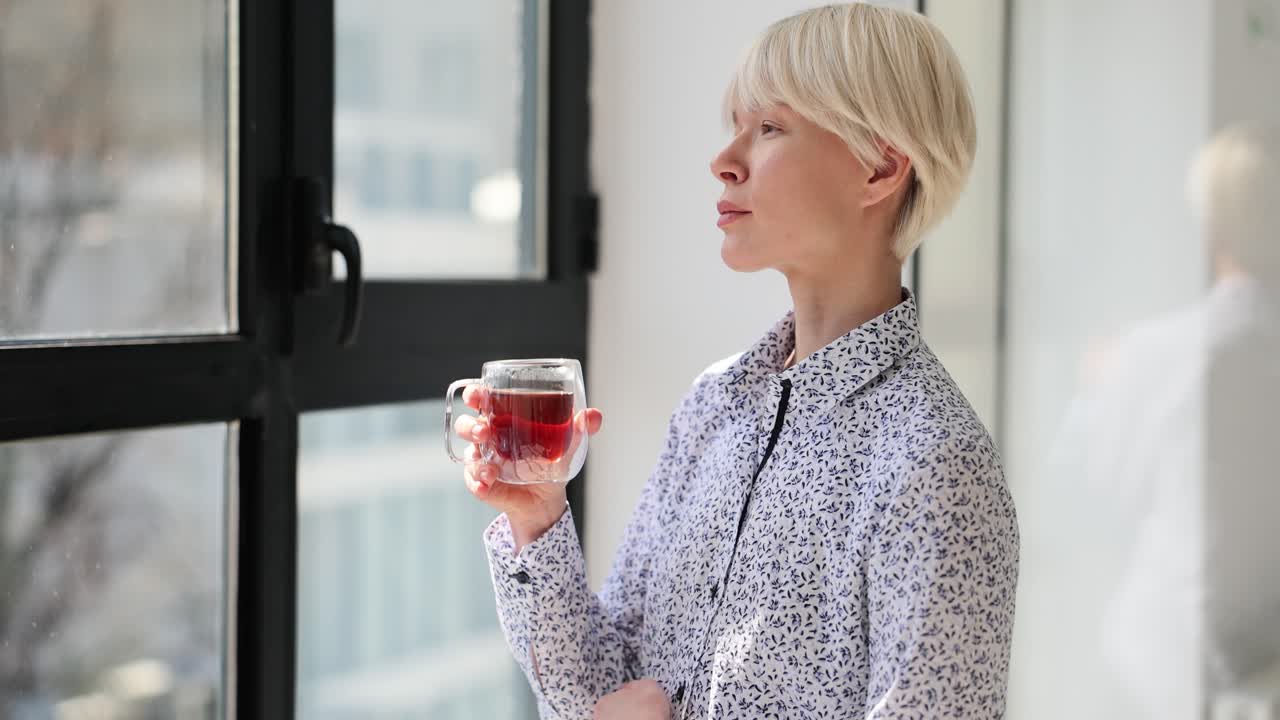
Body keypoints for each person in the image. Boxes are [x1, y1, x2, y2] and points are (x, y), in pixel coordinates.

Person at [453, 4, 1019, 718]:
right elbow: (606, 688)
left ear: (879, 166)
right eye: (737, 127)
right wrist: (539, 518)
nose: (725, 161)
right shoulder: (713, 405)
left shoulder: (934, 465)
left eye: (771, 128)